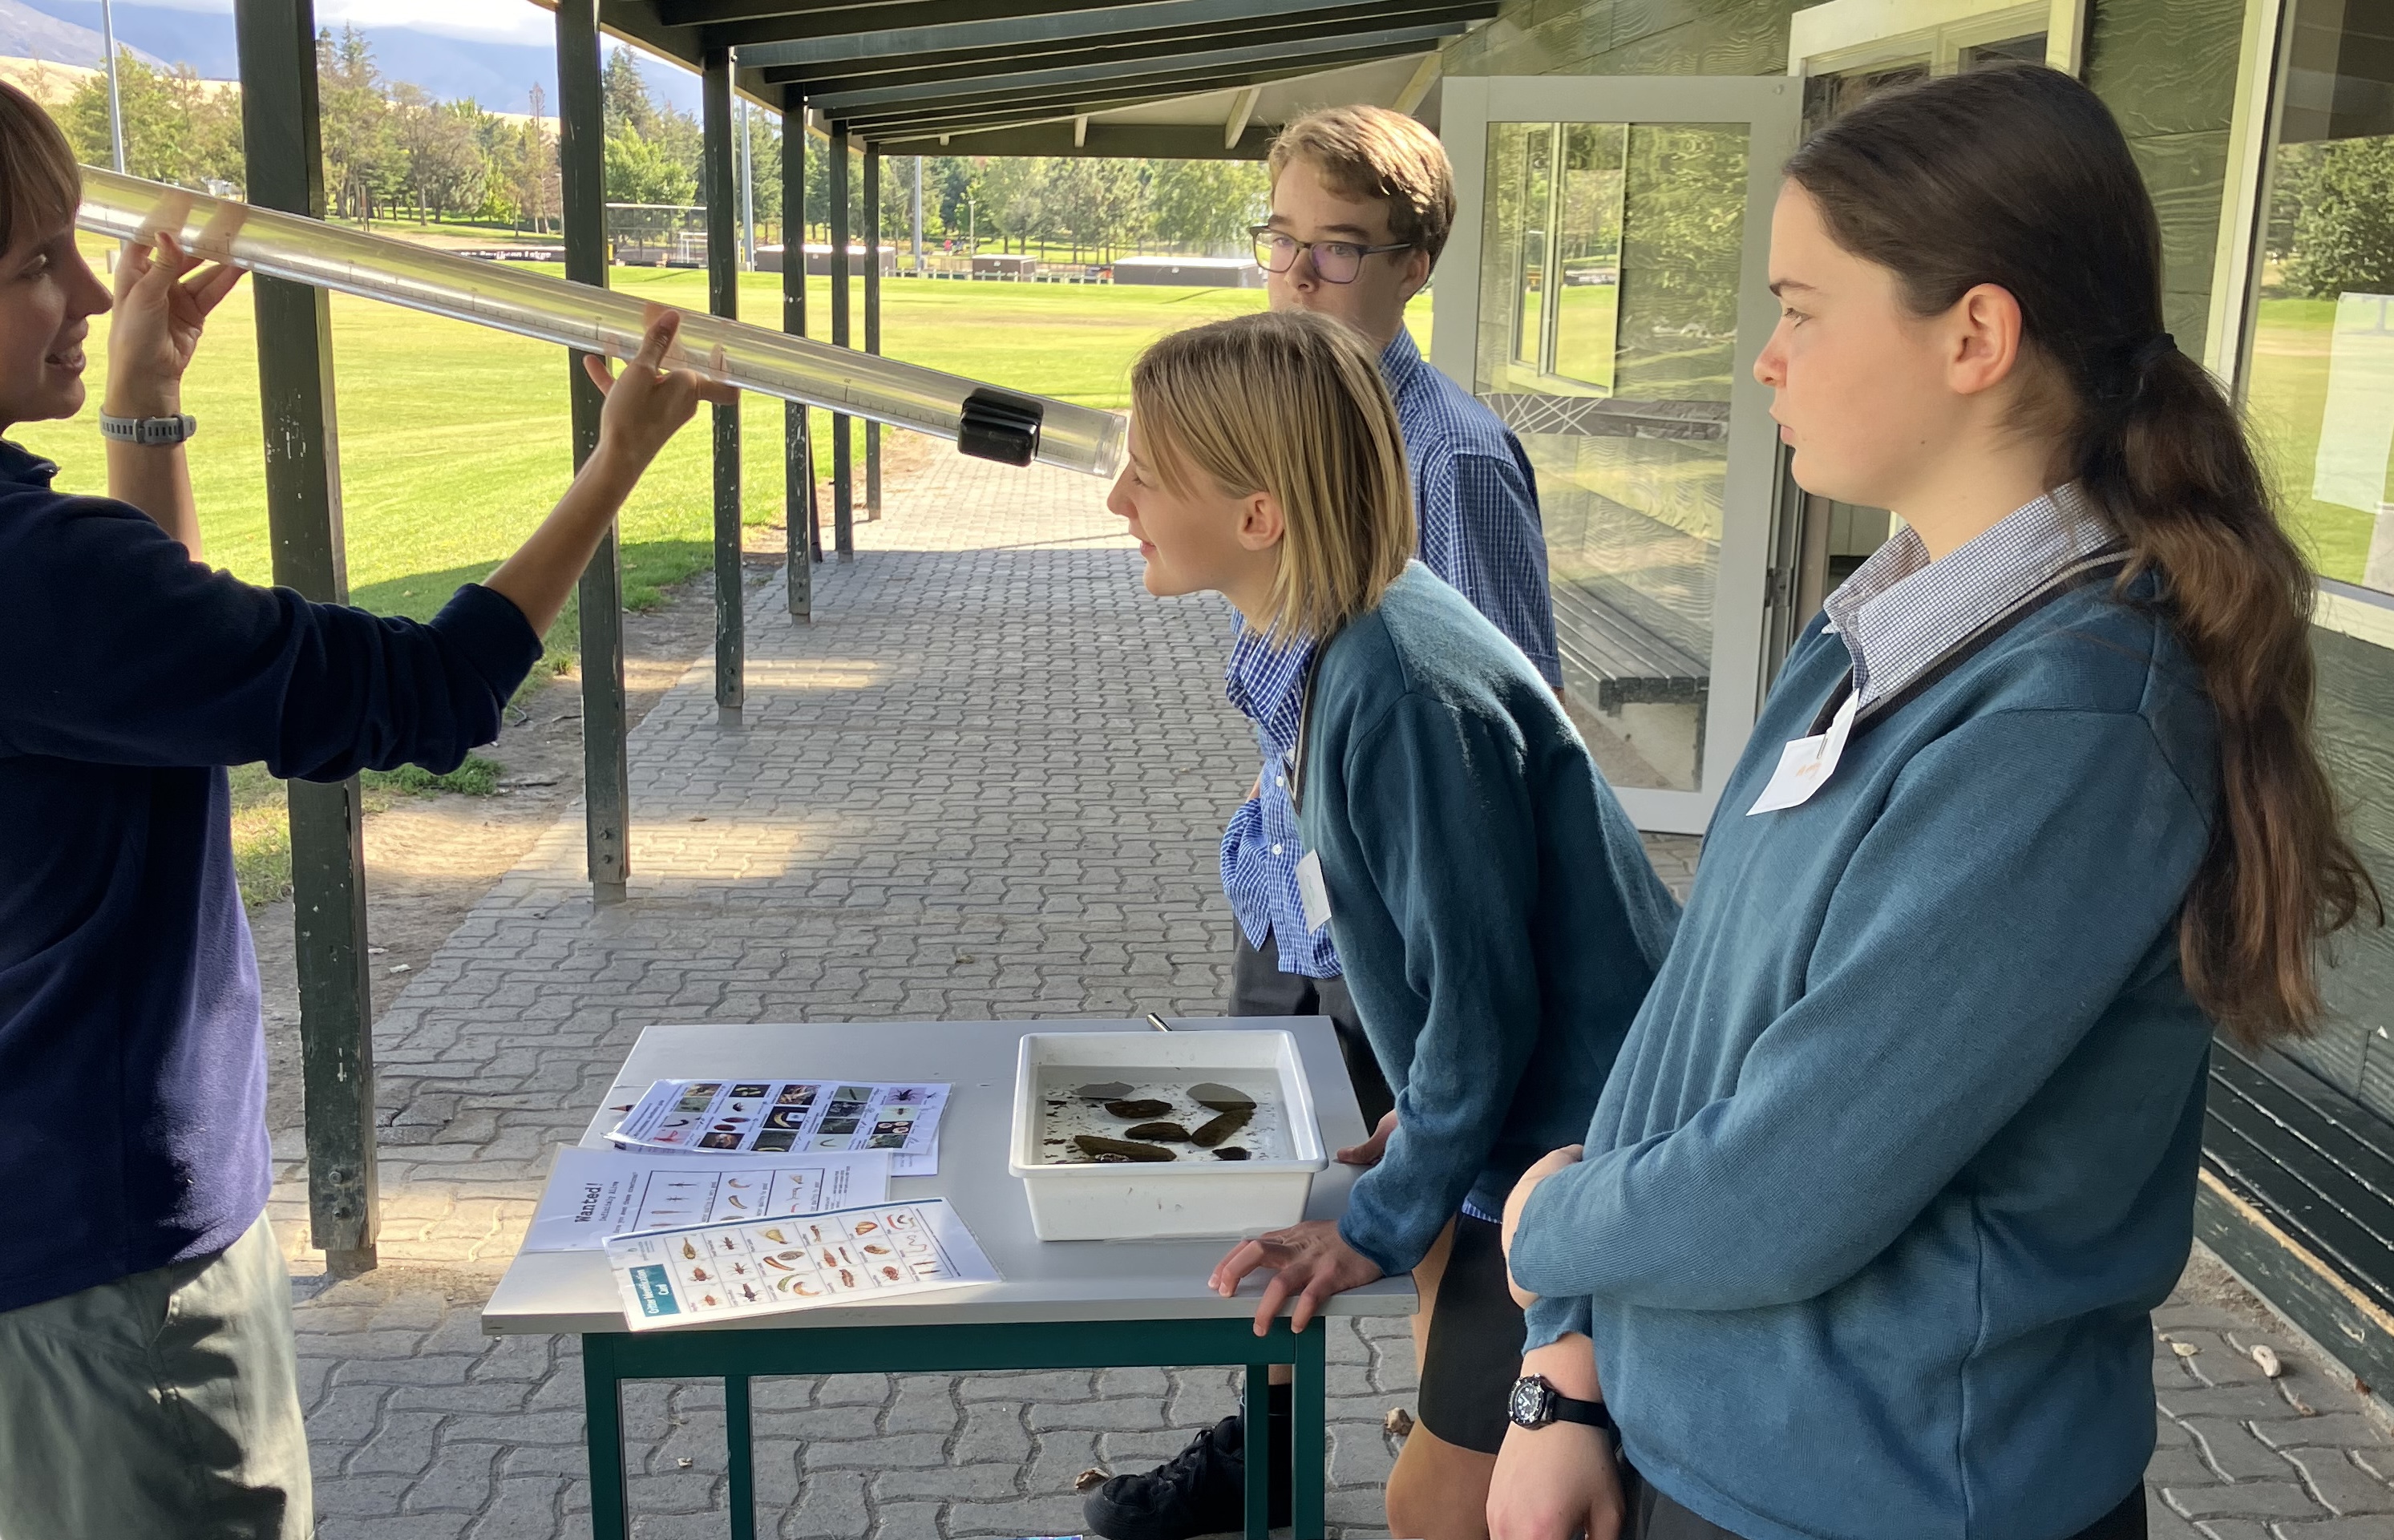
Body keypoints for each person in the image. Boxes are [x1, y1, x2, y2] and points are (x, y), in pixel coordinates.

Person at [1489, 63, 2378, 1540]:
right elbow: (1696, 1024)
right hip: (1709, 1445)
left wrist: (1548, 1225)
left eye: (1798, 306)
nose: (1763, 362)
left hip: (1870, 1498)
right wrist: (1564, 1363)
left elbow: (1793, 1177)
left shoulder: (2073, 722)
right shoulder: (1877, 630)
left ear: (1973, 334)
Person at [0, 83, 732, 1539]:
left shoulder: (51, 583)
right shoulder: (34, 578)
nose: (87, 287)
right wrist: (619, 460)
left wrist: (146, 405)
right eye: (32, 264)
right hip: (105, 1261)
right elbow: (431, 693)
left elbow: (169, 676)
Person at [1091, 308, 1676, 1540]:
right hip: (1512, 1142)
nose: (1115, 497)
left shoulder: (1399, 686)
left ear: (1260, 515)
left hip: (1580, 1158)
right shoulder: (1353, 635)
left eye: (1147, 470)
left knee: (1440, 1510)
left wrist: (1372, 1219)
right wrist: (1417, 1125)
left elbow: (1482, 1002)